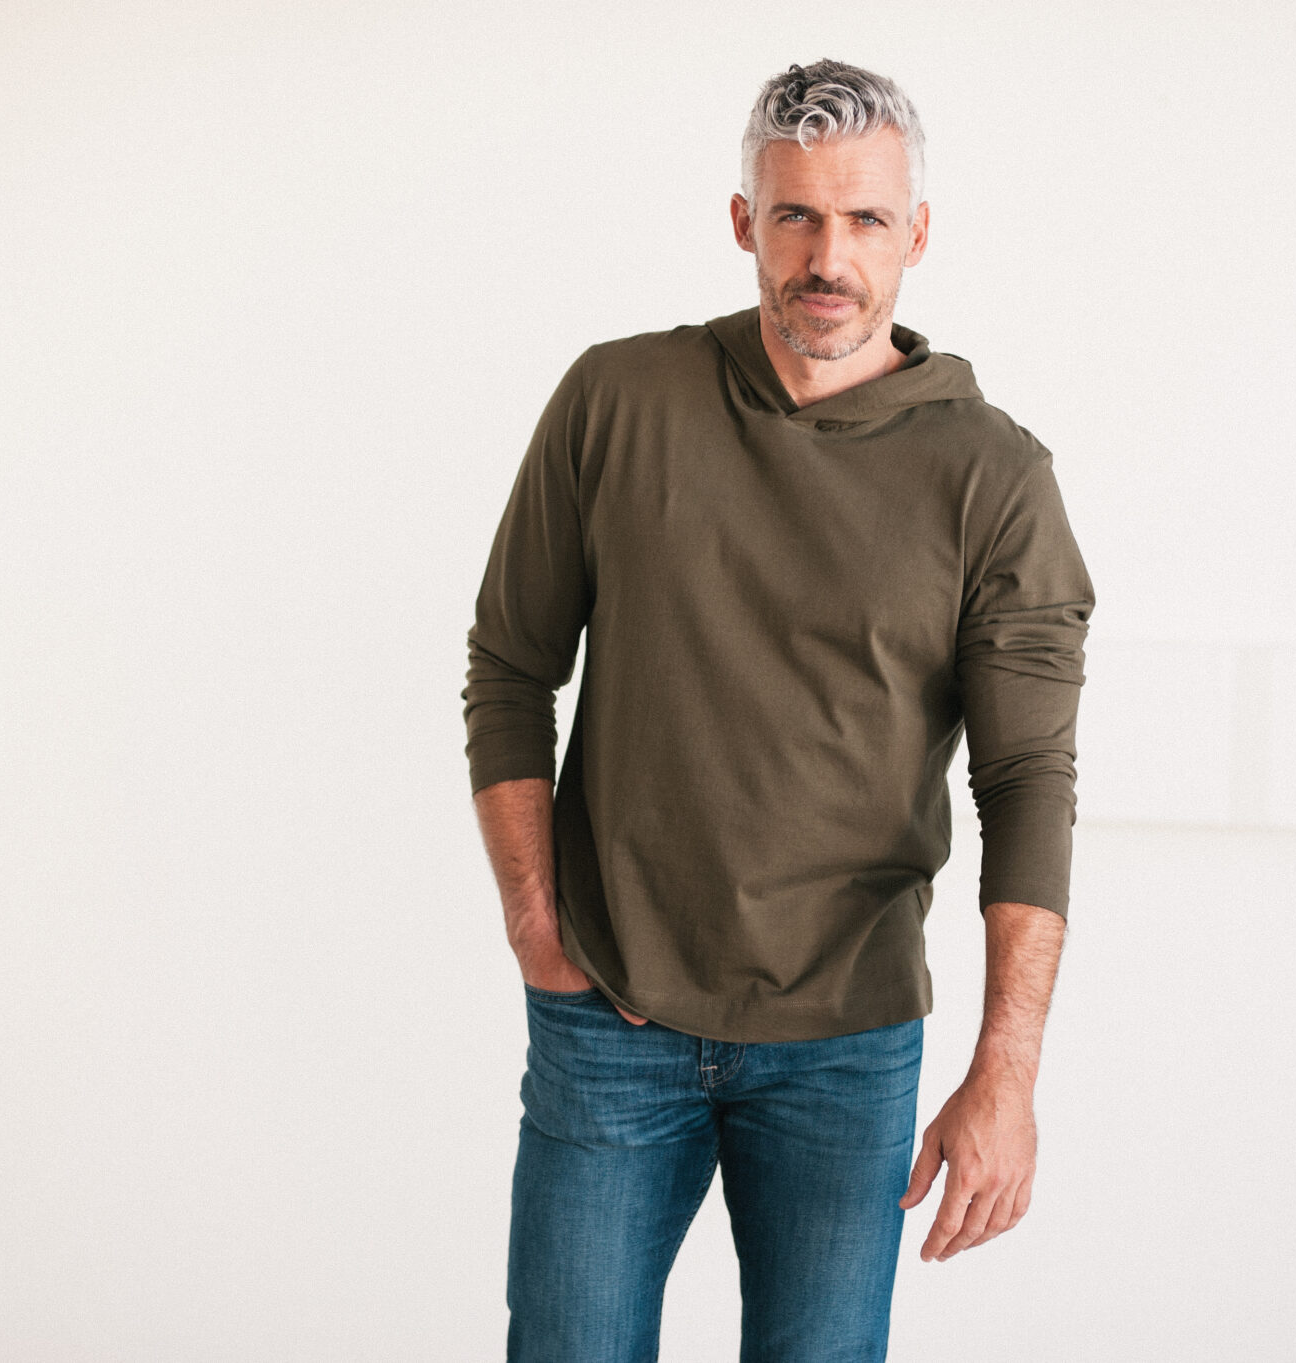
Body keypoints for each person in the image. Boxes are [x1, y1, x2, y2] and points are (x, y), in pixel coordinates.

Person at [461, 57, 1094, 1363]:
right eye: (797, 215)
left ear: (918, 233)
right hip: (612, 1016)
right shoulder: (620, 399)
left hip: (844, 1044)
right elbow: (512, 668)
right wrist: (535, 920)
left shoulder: (993, 476)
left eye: (865, 219)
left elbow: (1028, 781)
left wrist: (1007, 1070)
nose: (828, 257)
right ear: (745, 220)